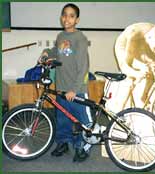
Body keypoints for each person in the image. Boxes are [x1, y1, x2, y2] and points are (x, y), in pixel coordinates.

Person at [38, 3, 92, 162]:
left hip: (76, 89)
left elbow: (84, 68)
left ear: (77, 20)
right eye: (64, 15)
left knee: (80, 121)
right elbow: (58, 51)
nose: (67, 18)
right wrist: (46, 52)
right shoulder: (61, 36)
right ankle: (63, 143)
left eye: (71, 15)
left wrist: (74, 90)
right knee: (62, 117)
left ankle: (81, 147)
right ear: (61, 17)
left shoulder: (80, 39)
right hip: (61, 86)